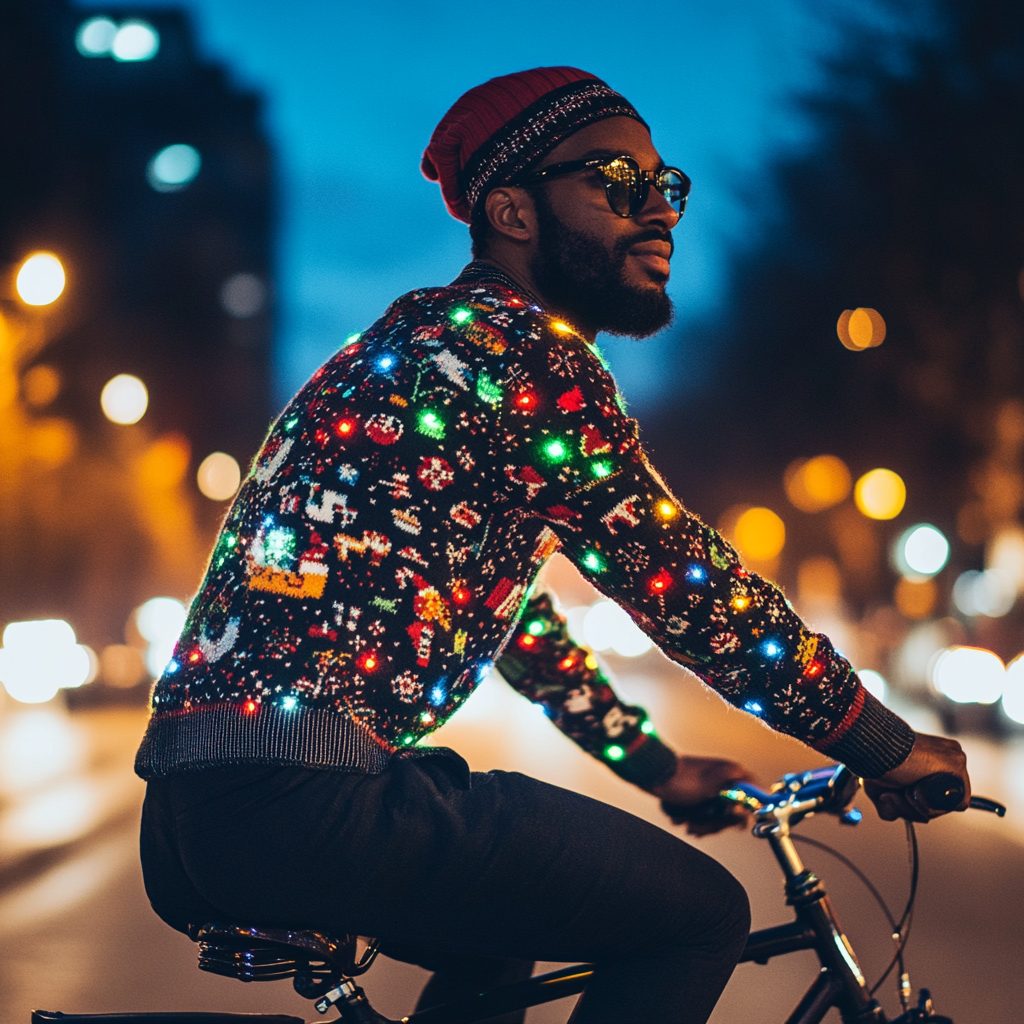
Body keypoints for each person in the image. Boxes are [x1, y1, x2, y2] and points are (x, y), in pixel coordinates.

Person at [137, 67, 970, 1024]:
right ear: (513, 212)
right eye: (618, 182)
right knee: (699, 916)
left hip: (205, 814)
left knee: (502, 939)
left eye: (668, 187)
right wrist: (882, 743)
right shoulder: (522, 352)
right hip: (304, 796)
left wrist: (657, 768)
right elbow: (681, 583)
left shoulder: (420, 347)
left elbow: (514, 620)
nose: (658, 213)